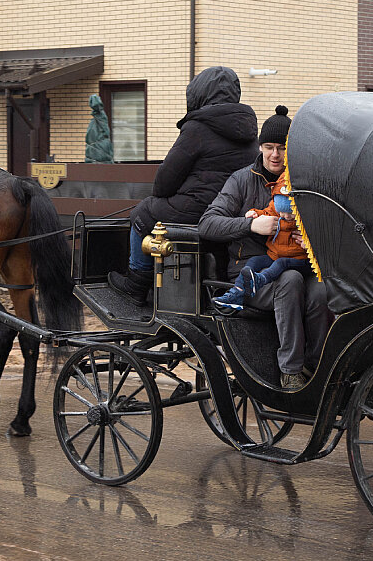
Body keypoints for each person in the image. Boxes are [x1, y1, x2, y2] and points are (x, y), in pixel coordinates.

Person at [199, 105, 330, 391]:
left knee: (321, 288)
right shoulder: (242, 179)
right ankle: (290, 371)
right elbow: (207, 224)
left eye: (282, 148)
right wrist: (250, 226)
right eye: (269, 147)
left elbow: (327, 228)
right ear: (260, 147)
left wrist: (309, 241)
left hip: (296, 263)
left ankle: (317, 364)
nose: (275, 155)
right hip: (249, 276)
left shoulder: (305, 182)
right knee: (290, 280)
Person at [108, 66, 258, 304]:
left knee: (142, 213)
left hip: (196, 209)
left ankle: (136, 284)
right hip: (231, 212)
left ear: (200, 93)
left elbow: (164, 183)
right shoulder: (249, 129)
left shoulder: (197, 127)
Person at [211, 170, 311, 313]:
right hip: (275, 254)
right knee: (254, 262)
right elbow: (267, 212)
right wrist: (254, 214)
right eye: (282, 212)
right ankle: (236, 293)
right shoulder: (277, 208)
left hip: (299, 259)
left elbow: (321, 232)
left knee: (282, 264)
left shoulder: (305, 216)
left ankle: (261, 280)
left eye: (291, 212)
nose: (286, 216)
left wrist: (310, 243)